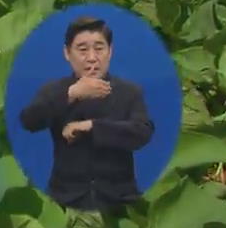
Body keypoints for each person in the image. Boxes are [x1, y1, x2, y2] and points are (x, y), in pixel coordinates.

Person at [18, 16, 155, 212]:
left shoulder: (129, 91)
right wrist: (71, 94)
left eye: (99, 48)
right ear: (67, 53)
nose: (92, 58)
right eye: (82, 50)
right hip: (65, 199)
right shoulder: (54, 91)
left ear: (110, 51)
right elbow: (29, 121)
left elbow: (142, 132)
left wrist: (91, 127)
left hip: (120, 200)